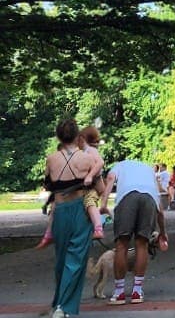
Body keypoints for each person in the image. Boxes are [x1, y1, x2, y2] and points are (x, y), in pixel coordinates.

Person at [43, 118, 96, 318]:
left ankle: (57, 303)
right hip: (80, 209)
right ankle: (64, 307)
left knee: (61, 258)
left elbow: (48, 184)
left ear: (58, 136)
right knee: (76, 258)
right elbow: (98, 185)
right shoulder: (87, 159)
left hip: (60, 211)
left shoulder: (51, 159)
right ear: (77, 136)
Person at [100, 157, 169, 305]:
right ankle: (137, 292)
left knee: (122, 245)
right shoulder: (150, 171)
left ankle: (119, 293)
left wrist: (104, 204)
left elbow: (110, 179)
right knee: (142, 244)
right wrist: (163, 233)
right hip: (149, 200)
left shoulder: (118, 166)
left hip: (127, 198)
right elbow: (160, 211)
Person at [38, 123, 106, 249]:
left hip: (69, 200)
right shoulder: (84, 155)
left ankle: (98, 227)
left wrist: (90, 175)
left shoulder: (89, 152)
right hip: (81, 196)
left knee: (88, 203)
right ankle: (49, 234)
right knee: (77, 249)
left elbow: (100, 164)